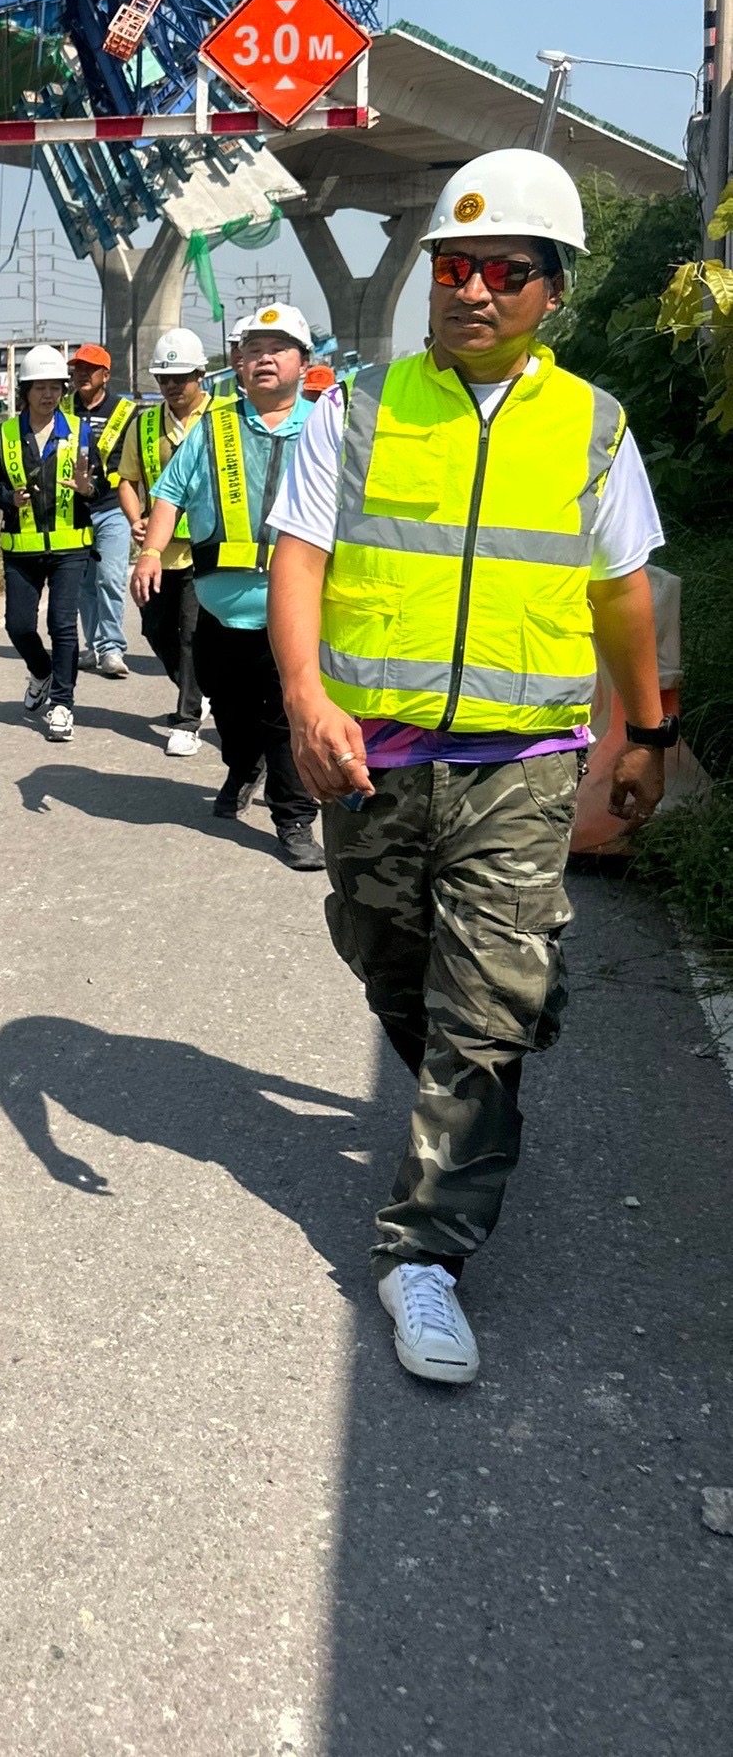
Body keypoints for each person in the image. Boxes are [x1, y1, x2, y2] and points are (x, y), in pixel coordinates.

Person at [267, 150, 669, 1387]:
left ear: (552, 289)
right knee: (386, 954)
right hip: (373, 757)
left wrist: (644, 734)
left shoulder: (593, 427)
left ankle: (423, 1252)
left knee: (480, 1007)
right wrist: (303, 697)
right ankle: (498, 1028)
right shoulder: (358, 407)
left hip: (523, 763)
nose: (472, 289)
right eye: (453, 266)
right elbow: (299, 555)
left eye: (503, 270)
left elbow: (619, 593)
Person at [131, 303, 321, 869]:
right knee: (230, 711)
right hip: (220, 607)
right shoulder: (213, 428)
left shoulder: (324, 428)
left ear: (304, 362)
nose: (264, 359)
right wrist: (150, 553)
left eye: (278, 349)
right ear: (238, 363)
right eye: (253, 350)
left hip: (296, 611)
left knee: (286, 715)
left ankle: (293, 820)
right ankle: (242, 766)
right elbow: (169, 494)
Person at [0, 344, 95, 744]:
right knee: (17, 626)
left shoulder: (80, 431)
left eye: (55, 387)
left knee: (62, 625)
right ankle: (42, 671)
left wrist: (87, 488)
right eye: (39, 387)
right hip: (21, 549)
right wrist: (8, 497)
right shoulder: (5, 435)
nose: (48, 395)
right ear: (25, 392)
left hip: (70, 548)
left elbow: (99, 487)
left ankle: (62, 703)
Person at [114, 327, 211, 755]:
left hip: (206, 547)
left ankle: (187, 721)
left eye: (180, 377)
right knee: (155, 628)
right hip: (158, 552)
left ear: (200, 376)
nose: (172, 386)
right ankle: (198, 691)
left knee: (191, 633)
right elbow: (127, 479)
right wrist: (135, 518)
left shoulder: (222, 418)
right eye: (164, 378)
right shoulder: (144, 424)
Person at [67, 343, 141, 679]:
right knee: (84, 582)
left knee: (109, 577)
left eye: (89, 369)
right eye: (78, 369)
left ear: (105, 375)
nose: (81, 374)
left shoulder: (125, 412)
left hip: (112, 506)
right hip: (75, 509)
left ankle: (112, 648)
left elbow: (134, 462)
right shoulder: (64, 409)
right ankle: (94, 645)